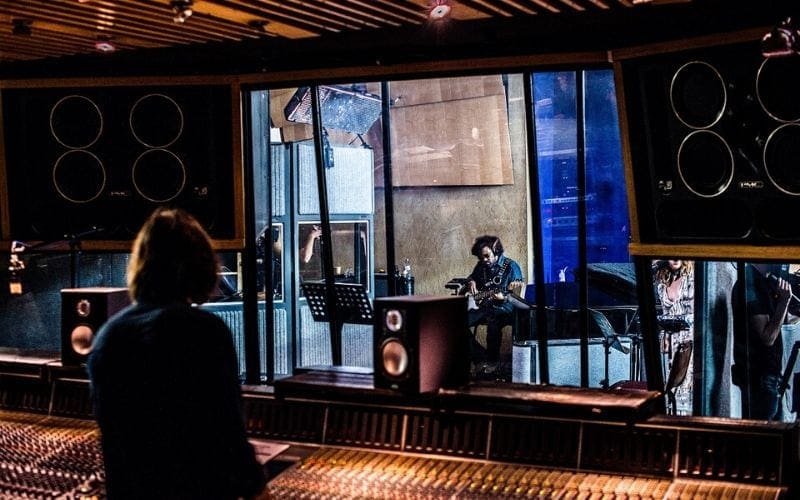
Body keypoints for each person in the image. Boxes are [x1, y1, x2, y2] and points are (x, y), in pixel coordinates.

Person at [87, 207, 267, 499]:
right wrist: (258, 490)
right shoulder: (202, 331)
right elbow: (227, 435)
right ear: (201, 266)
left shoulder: (109, 335)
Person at [460, 235, 524, 377]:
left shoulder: (511, 267)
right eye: (481, 257)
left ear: (496, 251)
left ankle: (492, 363)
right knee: (457, 323)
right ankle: (480, 357)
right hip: (484, 307)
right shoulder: (481, 265)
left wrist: (505, 296)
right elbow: (471, 277)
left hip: (506, 308)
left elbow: (519, 294)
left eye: (487, 256)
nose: (484, 260)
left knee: (493, 320)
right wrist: (471, 282)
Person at [742, 263, 800, 421]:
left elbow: (784, 321)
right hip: (762, 378)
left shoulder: (767, 281)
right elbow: (768, 337)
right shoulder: (750, 284)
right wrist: (784, 302)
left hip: (775, 374)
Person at [653, 259, 694, 414]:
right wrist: (663, 336)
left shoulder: (692, 278)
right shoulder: (662, 284)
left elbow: (699, 309)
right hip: (673, 339)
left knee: (686, 384)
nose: (675, 259)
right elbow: (665, 313)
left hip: (690, 339)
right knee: (672, 384)